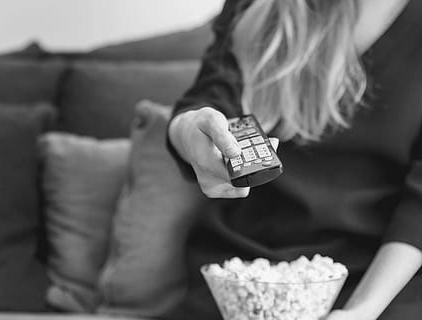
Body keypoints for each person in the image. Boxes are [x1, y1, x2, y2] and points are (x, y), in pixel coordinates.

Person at [167, 0, 422, 319]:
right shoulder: (255, 7)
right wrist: (190, 133)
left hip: (380, 280)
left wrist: (362, 310)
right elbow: (205, 104)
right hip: (247, 268)